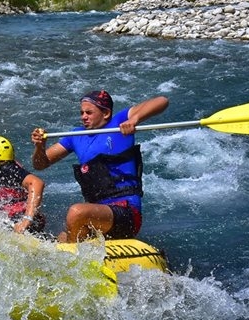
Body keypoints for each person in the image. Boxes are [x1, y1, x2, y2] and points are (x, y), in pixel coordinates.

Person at [30, 90, 169, 242]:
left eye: (89, 112)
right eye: (82, 112)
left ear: (106, 113)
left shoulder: (119, 124)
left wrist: (134, 119)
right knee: (63, 237)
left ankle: (74, 256)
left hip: (127, 212)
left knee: (76, 212)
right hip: (97, 216)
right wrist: (39, 147)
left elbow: (162, 101)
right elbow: (40, 165)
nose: (83, 117)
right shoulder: (75, 136)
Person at [0, 135, 46, 234]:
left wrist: (26, 221)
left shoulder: (7, 169)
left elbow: (36, 183)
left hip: (23, 221)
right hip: (10, 217)